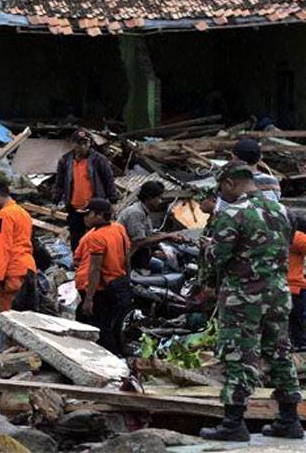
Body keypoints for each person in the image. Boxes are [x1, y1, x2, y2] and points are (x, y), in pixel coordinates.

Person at [199, 162, 302, 442]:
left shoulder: (232, 213)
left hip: (243, 297)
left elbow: (218, 258)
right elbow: (285, 246)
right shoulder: (282, 211)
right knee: (280, 352)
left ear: (230, 183)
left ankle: (233, 423)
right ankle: (289, 419)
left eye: (222, 187)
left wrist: (208, 249)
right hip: (278, 294)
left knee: (239, 355)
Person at [73, 198, 131, 355]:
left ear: (99, 215)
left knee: (99, 330)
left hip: (100, 290)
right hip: (117, 284)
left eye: (88, 214)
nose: (85, 218)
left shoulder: (96, 237)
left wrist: (89, 299)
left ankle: (111, 362)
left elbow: (95, 268)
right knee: (110, 326)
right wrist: (127, 279)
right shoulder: (118, 228)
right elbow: (126, 257)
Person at [54, 129, 118, 251]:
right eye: (79, 143)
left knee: (95, 238)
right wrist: (55, 201)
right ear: (73, 144)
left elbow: (108, 180)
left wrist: (113, 201)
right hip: (74, 207)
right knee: (76, 238)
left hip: (94, 209)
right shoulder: (66, 161)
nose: (83, 147)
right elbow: (60, 183)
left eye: (85, 143)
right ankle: (78, 263)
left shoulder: (98, 160)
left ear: (89, 144)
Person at [0, 181, 37, 313]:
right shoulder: (23, 213)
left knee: (8, 316)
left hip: (12, 271)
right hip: (27, 267)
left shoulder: (4, 215)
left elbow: (1, 247)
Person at [117, 180, 183, 273]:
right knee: (162, 267)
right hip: (127, 257)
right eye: (158, 198)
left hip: (137, 254)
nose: (160, 201)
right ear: (149, 198)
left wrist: (168, 235)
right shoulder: (136, 213)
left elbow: (148, 233)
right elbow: (140, 241)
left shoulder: (143, 211)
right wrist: (166, 236)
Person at [215, 138, 280, 210]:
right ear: (260, 158)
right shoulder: (272, 181)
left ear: (234, 158)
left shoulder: (231, 181)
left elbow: (222, 208)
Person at [287, 224, 306, 351]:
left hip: (283, 284)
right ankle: (299, 343)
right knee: (297, 319)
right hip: (295, 285)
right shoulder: (299, 237)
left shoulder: (281, 234)